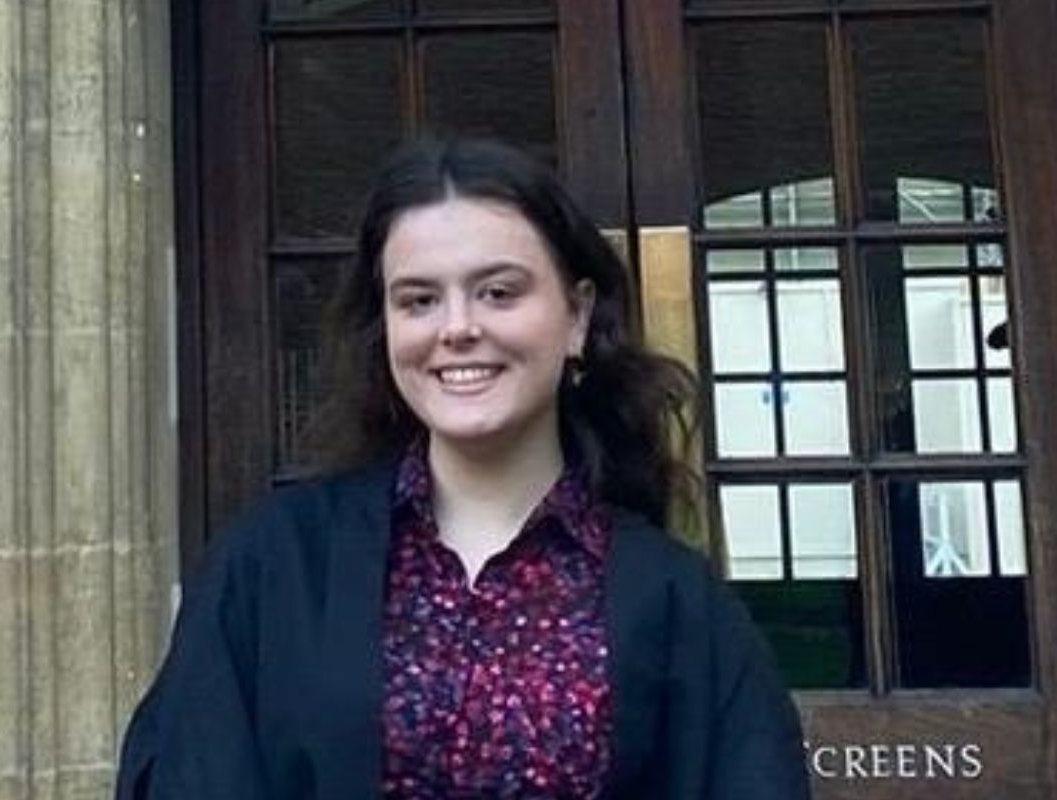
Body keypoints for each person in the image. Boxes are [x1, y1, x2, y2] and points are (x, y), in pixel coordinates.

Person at [116, 138, 810, 799]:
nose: (456, 328)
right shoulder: (273, 566)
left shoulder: (675, 601)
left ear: (576, 316)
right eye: (418, 300)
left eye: (499, 293)